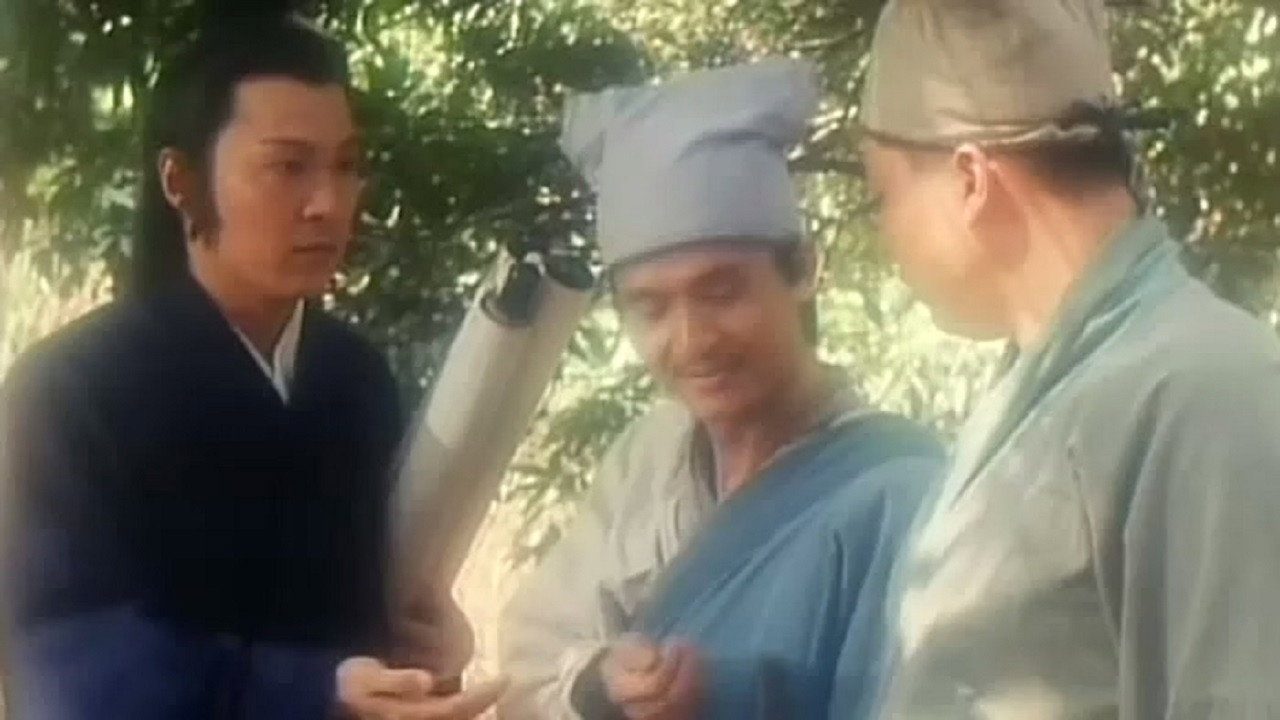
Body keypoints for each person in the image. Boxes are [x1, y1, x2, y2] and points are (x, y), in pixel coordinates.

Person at [0, 14, 503, 720]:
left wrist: (423, 650)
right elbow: (68, 664)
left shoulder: (354, 379)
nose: (328, 203)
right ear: (180, 180)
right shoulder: (69, 391)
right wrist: (314, 689)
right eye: (287, 167)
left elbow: (374, 609)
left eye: (345, 165)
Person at [855, 0, 1280, 717]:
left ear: (970, 180)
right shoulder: (1053, 392)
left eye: (883, 197)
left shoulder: (1204, 392)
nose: (886, 233)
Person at [499, 58, 944, 720]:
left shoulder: (901, 490)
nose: (692, 340)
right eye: (651, 308)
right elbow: (529, 663)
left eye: (721, 292)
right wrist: (599, 683)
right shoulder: (648, 459)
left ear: (802, 271)